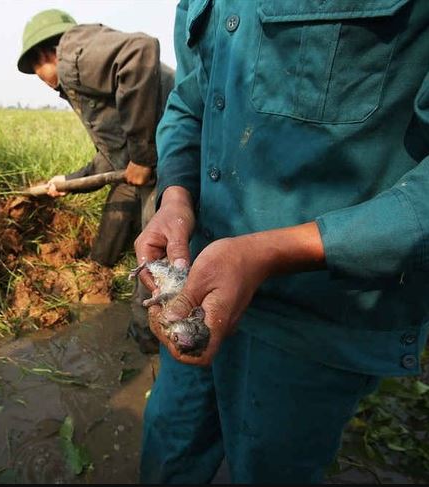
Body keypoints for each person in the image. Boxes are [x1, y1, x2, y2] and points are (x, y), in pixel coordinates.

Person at [135, 0, 428, 483]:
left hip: (316, 321)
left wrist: (272, 252)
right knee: (167, 444)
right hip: (201, 286)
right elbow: (189, 103)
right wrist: (175, 197)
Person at [17, 9, 175, 354]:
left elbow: (141, 50)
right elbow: (110, 160)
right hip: (151, 156)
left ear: (45, 54)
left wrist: (142, 156)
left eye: (35, 70)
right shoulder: (82, 83)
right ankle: (98, 270)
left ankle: (148, 334)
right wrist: (67, 181)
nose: (40, 79)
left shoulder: (73, 53)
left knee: (155, 239)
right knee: (122, 197)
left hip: (173, 153)